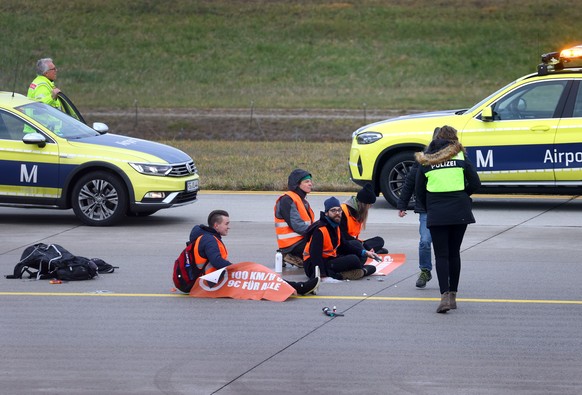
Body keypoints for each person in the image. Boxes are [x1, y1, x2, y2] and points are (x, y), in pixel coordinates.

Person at [415, 125, 481, 313]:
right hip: (460, 210)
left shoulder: (426, 160)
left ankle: (444, 296)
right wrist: (462, 195)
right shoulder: (460, 157)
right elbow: (476, 183)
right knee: (454, 253)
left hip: (437, 211)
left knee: (441, 255)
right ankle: (453, 296)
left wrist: (430, 207)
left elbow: (419, 191)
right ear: (454, 140)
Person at [190, 209, 320, 296]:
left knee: (260, 275)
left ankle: (296, 287)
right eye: (226, 223)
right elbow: (217, 262)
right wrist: (237, 269)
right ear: (216, 226)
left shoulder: (209, 237)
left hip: (215, 279)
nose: (229, 226)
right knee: (259, 276)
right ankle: (299, 287)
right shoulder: (209, 240)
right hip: (211, 282)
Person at [396, 127, 441, 289]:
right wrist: (402, 204)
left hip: (444, 206)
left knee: (444, 244)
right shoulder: (423, 159)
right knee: (425, 242)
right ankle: (425, 270)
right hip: (426, 208)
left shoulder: (453, 158)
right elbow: (410, 181)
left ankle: (447, 273)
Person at [303, 197, 379, 281]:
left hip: (330, 259)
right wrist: (322, 276)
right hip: (313, 266)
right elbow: (315, 255)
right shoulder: (320, 230)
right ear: (326, 213)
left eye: (339, 210)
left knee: (363, 258)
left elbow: (344, 245)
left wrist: (365, 252)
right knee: (354, 260)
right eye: (333, 210)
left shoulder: (335, 226)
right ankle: (341, 275)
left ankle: (357, 271)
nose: (337, 213)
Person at [274, 169, 315, 268]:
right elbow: (297, 225)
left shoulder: (302, 200)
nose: (310, 184)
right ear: (297, 184)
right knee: (322, 247)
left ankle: (298, 257)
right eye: (306, 181)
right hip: (292, 244)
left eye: (310, 181)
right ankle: (289, 255)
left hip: (301, 239)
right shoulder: (287, 200)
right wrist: (317, 232)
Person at [340, 183, 387, 261]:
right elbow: (342, 235)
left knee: (379, 240)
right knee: (357, 246)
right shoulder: (343, 211)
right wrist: (360, 245)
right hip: (346, 243)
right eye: (369, 205)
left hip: (356, 242)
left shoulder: (359, 212)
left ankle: (367, 250)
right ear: (364, 204)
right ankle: (367, 251)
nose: (370, 207)